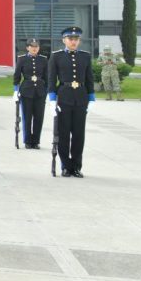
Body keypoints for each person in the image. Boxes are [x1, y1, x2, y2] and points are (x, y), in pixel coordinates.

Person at [47, 26, 95, 178]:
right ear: (64, 40)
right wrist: (52, 100)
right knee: (63, 133)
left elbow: (89, 79)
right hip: (64, 97)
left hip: (81, 98)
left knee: (79, 135)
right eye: (71, 39)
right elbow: (51, 79)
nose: (74, 42)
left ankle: (76, 166)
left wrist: (91, 97)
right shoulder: (56, 56)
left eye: (76, 39)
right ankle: (65, 166)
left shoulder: (85, 56)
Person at [12, 38, 48, 148]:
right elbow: (17, 76)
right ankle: (27, 141)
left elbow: (47, 77)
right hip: (26, 91)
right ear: (27, 47)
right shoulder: (22, 59)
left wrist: (46, 91)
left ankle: (36, 141)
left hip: (40, 92)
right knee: (27, 117)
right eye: (32, 46)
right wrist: (15, 91)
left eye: (36, 46)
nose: (34, 48)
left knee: (39, 117)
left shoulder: (43, 59)